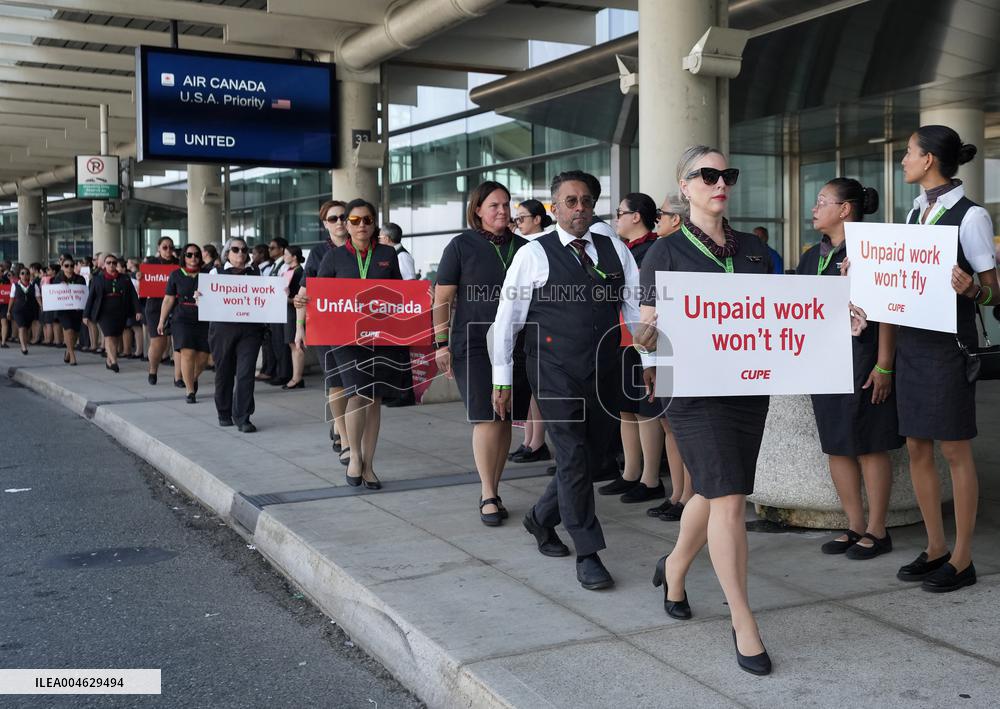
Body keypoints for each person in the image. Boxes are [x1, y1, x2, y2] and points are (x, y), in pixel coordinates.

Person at [637, 146, 776, 674]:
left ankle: (674, 567)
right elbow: (646, 329)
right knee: (730, 498)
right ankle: (744, 621)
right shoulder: (664, 253)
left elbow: (783, 314)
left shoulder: (757, 252)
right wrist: (648, 333)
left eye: (727, 175)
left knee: (721, 489)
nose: (720, 183)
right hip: (692, 389)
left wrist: (842, 311)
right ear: (685, 185)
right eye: (708, 175)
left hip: (747, 387)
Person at [490, 170, 650, 591]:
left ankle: (540, 517)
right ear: (554, 208)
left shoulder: (615, 250)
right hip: (552, 369)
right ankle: (588, 552)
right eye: (570, 201)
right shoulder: (533, 254)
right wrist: (502, 379)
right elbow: (507, 322)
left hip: (604, 368)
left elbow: (634, 310)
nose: (579, 209)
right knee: (574, 455)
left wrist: (649, 359)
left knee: (595, 458)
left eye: (585, 201)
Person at [892, 125, 999, 592]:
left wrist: (972, 288)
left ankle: (962, 557)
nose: (903, 160)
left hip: (948, 346)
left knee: (955, 449)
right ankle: (935, 545)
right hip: (913, 344)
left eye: (909, 153)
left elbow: (994, 291)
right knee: (917, 446)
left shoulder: (970, 215)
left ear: (929, 159)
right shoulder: (916, 211)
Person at [800, 178, 904, 559]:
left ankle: (878, 530)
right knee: (837, 445)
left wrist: (885, 365)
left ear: (845, 209)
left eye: (822, 201)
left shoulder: (869, 251)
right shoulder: (813, 256)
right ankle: (854, 525)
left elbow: (889, 311)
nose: (814, 208)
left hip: (864, 358)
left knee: (870, 445)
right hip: (824, 362)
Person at [434, 180, 531, 525]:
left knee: (504, 416)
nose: (503, 211)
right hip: (472, 342)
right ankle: (488, 492)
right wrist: (440, 343)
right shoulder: (461, 246)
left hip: (516, 343)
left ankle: (495, 484)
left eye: (506, 205)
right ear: (477, 209)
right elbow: (443, 299)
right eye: (494, 205)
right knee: (486, 414)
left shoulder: (525, 248)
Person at [295, 198, 404, 489]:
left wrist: (422, 296)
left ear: (374, 223)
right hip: (345, 338)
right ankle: (354, 454)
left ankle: (369, 464)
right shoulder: (332, 257)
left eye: (367, 220)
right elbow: (318, 298)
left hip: (380, 336)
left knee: (375, 399)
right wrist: (302, 306)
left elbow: (400, 292)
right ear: (347, 224)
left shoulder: (387, 255)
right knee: (357, 394)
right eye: (354, 220)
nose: (361, 225)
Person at [599, 192, 666, 504]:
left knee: (645, 410)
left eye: (620, 212)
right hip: (623, 338)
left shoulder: (655, 249)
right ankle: (630, 472)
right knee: (626, 409)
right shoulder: (623, 250)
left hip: (647, 341)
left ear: (637, 216)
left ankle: (651, 479)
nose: (617, 218)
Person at [507, 199, 553, 464]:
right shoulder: (523, 244)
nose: (517, 223)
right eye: (517, 219)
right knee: (529, 387)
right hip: (524, 323)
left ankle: (537, 442)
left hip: (538, 323)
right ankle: (530, 440)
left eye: (522, 218)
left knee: (537, 387)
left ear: (537, 219)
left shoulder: (543, 245)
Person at [306, 200, 351, 462]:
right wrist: (300, 328)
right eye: (333, 218)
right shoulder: (318, 253)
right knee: (336, 382)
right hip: (326, 328)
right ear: (325, 224)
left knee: (353, 385)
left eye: (344, 217)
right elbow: (306, 290)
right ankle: (345, 440)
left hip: (357, 329)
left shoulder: (365, 250)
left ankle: (339, 425)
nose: (340, 222)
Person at [208, 238, 264, 432]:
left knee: (246, 373)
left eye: (243, 249)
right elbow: (207, 299)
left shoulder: (257, 272)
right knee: (224, 371)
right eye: (235, 249)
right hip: (223, 329)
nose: (240, 253)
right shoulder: (216, 273)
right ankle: (224, 412)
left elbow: (266, 297)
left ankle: (243, 416)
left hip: (250, 330)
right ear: (227, 253)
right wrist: (201, 297)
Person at [160, 245, 211, 404]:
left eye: (196, 254)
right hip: (182, 317)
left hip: (203, 317)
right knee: (187, 353)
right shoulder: (176, 274)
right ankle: (190, 391)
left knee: (204, 356)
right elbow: (169, 299)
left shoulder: (208, 274)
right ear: (184, 257)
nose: (193, 257)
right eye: (189, 255)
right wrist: (161, 320)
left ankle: (193, 378)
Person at [378, 222, 417, 408]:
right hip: (392, 312)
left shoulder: (402, 257)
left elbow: (409, 285)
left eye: (379, 237)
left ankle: (404, 395)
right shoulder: (394, 255)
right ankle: (394, 392)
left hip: (401, 314)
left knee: (401, 356)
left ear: (386, 238)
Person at [83, 253, 141, 373]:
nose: (111, 265)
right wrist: (86, 314)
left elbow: (133, 295)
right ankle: (114, 361)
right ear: (104, 265)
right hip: (104, 312)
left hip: (120, 311)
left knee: (115, 337)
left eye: (114, 263)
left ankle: (109, 360)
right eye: (108, 263)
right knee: (108, 335)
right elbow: (91, 298)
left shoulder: (124, 278)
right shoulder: (98, 279)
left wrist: (137, 310)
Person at [143, 237, 182, 386]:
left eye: (171, 247)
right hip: (155, 306)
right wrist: (141, 278)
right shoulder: (151, 263)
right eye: (165, 247)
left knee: (178, 342)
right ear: (158, 248)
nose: (168, 250)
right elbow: (144, 284)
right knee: (159, 343)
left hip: (176, 306)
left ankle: (178, 377)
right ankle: (153, 370)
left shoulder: (179, 265)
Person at [52, 257, 86, 365]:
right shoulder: (57, 279)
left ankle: (68, 351)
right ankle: (72, 355)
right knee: (69, 329)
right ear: (62, 267)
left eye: (71, 265)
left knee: (75, 332)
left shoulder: (80, 279)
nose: (69, 268)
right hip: (63, 310)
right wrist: (60, 287)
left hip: (76, 310)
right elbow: (54, 295)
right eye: (66, 266)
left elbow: (83, 293)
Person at [281, 245, 305, 389]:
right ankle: (295, 376)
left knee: (296, 345)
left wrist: (286, 299)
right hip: (289, 311)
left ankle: (297, 378)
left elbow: (298, 297)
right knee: (292, 345)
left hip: (295, 311)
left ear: (294, 257)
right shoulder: (289, 271)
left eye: (286, 254)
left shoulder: (299, 272)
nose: (284, 257)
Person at [6, 266, 40, 354]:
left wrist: (41, 305)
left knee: (27, 328)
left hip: (29, 310)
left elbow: (37, 297)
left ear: (29, 275)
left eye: (27, 273)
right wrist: (8, 311)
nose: (25, 275)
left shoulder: (34, 285)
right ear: (19, 276)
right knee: (21, 327)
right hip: (18, 310)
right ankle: (23, 347)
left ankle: (25, 343)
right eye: (22, 273)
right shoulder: (15, 285)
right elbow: (12, 298)